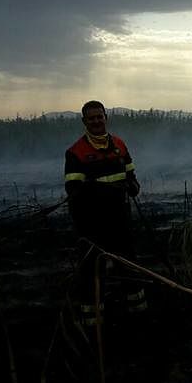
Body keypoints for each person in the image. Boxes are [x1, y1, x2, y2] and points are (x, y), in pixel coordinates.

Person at [64, 100, 144, 327]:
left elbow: (130, 174)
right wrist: (99, 192)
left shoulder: (119, 145)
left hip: (120, 219)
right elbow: (73, 191)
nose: (96, 121)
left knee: (129, 265)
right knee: (92, 272)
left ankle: (138, 314)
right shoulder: (75, 153)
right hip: (92, 224)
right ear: (84, 121)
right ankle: (93, 323)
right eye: (91, 118)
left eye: (100, 117)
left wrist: (134, 187)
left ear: (105, 118)